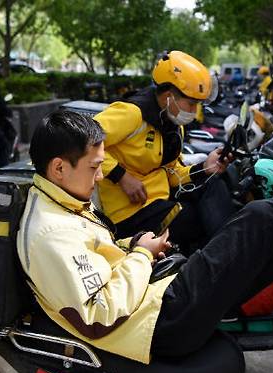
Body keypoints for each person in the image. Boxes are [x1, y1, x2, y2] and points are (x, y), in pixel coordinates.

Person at [16, 108, 273, 364]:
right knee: (256, 221)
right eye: (94, 167)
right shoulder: (51, 232)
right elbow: (99, 312)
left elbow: (98, 267)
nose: (102, 175)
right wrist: (141, 255)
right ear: (58, 168)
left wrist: (135, 249)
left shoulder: (62, 202)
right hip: (161, 321)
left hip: (160, 299)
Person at [93, 51, 233, 250]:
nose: (194, 112)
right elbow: (83, 138)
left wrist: (204, 167)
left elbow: (172, 174)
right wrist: (121, 176)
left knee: (214, 184)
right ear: (169, 96)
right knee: (196, 221)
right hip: (128, 214)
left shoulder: (173, 124)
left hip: (158, 200)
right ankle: (228, 256)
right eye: (191, 104)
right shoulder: (133, 113)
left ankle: (230, 253)